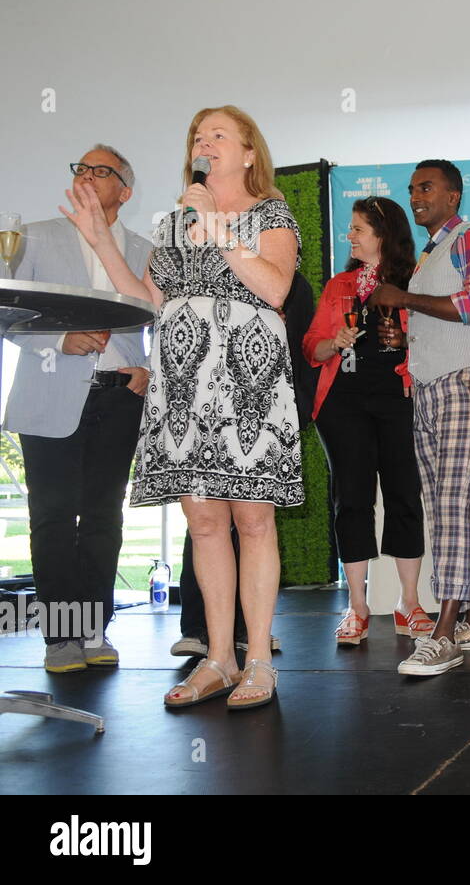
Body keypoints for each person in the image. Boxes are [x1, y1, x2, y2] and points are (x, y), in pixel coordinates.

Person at [63, 105, 303, 710]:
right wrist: (99, 239)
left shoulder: (271, 213)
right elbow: (145, 300)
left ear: (249, 153)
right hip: (184, 381)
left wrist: (219, 227)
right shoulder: (172, 222)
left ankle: (257, 662)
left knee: (253, 520)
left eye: (220, 134)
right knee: (204, 524)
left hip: (247, 377)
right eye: (199, 135)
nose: (205, 141)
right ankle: (216, 658)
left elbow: (274, 288)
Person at [5, 146, 150, 673]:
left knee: (103, 519)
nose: (87, 176)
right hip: (49, 395)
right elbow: (7, 310)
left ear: (124, 192)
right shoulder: (36, 236)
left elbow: (152, 319)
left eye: (101, 171)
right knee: (51, 516)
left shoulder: (143, 247)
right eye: (81, 168)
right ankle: (60, 638)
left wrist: (145, 367)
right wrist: (56, 342)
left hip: (118, 397)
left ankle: (94, 630)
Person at [368, 160, 470, 676]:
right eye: (412, 189)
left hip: (464, 382)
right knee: (453, 506)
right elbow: (444, 315)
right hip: (427, 387)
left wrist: (402, 298)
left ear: (454, 194)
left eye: (427, 187)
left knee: (448, 502)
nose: (416, 196)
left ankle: (444, 632)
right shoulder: (430, 252)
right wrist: (406, 336)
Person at [303, 197, 426, 647]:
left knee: (403, 495)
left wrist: (407, 339)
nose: (350, 236)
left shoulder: (413, 281)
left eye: (358, 229)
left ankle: (408, 603)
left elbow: (434, 340)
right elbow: (310, 347)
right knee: (351, 500)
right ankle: (357, 607)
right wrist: (332, 342)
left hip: (400, 399)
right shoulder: (340, 285)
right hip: (343, 404)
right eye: (350, 228)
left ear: (383, 234)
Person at [172, 270, 314, 657]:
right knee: (204, 527)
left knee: (251, 525)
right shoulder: (195, 265)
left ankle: (252, 644)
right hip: (206, 404)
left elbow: (300, 352)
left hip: (260, 409)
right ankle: (204, 634)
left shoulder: (290, 282)